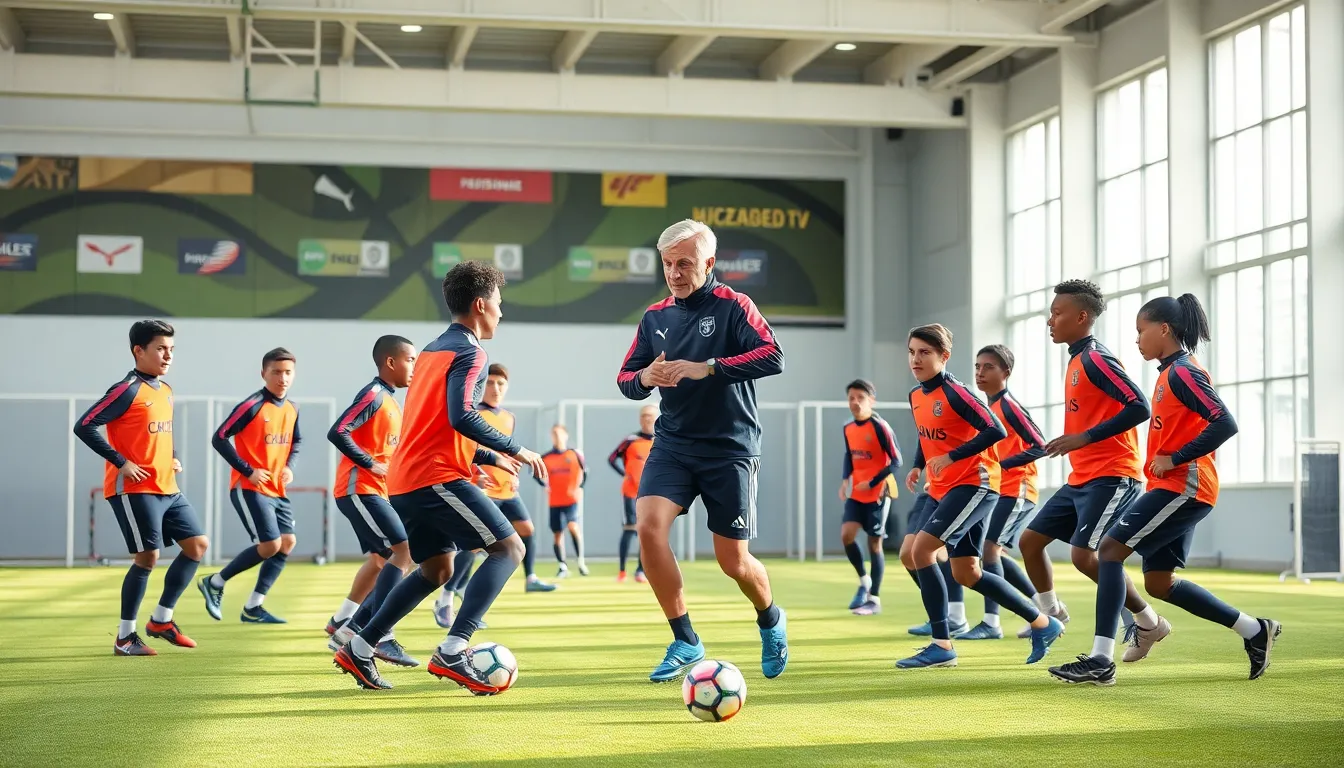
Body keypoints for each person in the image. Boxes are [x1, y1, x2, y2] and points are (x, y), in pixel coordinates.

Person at [332, 260, 549, 692]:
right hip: (434, 478)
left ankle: (360, 645)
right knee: (509, 548)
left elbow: (433, 422)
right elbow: (462, 415)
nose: (502, 313)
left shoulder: (431, 351)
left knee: (437, 569)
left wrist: (485, 457)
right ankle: (453, 651)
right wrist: (515, 447)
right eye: (500, 304)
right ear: (481, 304)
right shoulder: (473, 352)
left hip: (405, 480)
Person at [1050, 295, 1280, 685]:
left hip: (1183, 486)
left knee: (1108, 549)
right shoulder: (1168, 373)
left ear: (1164, 329)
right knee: (1159, 583)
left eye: (1141, 331)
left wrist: (1175, 459)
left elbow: (1224, 422)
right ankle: (1255, 631)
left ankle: (1101, 660)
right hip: (1175, 487)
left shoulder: (1184, 372)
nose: (1137, 340)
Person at [617, 219, 789, 683]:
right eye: (668, 263)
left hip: (731, 448)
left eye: (685, 263)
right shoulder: (654, 318)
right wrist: (645, 379)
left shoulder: (736, 306)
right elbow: (626, 379)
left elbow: (773, 356)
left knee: (732, 560)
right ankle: (685, 638)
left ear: (709, 263)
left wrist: (707, 367)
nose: (674, 272)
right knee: (649, 528)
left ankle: (770, 618)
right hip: (673, 444)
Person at [898, 323, 1063, 669]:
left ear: (944, 356)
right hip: (943, 487)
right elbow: (926, 436)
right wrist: (918, 465)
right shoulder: (916, 395)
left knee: (921, 550)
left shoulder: (959, 393)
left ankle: (942, 644)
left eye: (925, 352)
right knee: (966, 573)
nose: (916, 359)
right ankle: (1043, 623)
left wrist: (952, 457)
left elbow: (996, 429)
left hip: (975, 484)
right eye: (912, 352)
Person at [1018, 279, 1167, 653]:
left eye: (1057, 313)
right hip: (1082, 477)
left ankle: (1147, 622)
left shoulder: (1097, 358)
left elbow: (1139, 406)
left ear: (1082, 316)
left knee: (1084, 557)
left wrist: (1083, 438)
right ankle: (1053, 614)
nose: (1050, 321)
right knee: (1030, 542)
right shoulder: (1075, 359)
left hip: (1112, 475)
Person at [73, 320, 209, 655]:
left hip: (168, 487)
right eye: (161, 349)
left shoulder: (166, 390)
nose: (168, 356)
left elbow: (162, 432)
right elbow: (85, 425)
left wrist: (173, 456)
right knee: (148, 556)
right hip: (134, 489)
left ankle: (162, 620)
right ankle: (124, 638)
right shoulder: (125, 389)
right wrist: (121, 462)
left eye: (172, 350)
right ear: (139, 350)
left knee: (197, 546)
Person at [323, 335, 419, 668]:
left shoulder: (393, 402)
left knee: (384, 560)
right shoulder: (374, 395)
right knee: (404, 550)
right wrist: (369, 463)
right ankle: (381, 634)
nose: (414, 367)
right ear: (390, 362)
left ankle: (347, 628)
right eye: (410, 360)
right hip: (359, 488)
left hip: (376, 492)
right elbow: (338, 430)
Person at [199, 348, 301, 624]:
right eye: (276, 372)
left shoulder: (292, 408)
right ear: (264, 373)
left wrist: (289, 467)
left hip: (277, 490)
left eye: (288, 372)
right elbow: (219, 438)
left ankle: (253, 607)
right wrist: (248, 470)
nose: (282, 378)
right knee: (270, 545)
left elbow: (297, 442)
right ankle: (215, 582)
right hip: (249, 488)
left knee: (287, 542)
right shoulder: (252, 405)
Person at [962, 344, 1047, 640]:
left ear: (1006, 373)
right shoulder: (986, 409)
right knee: (991, 552)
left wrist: (1003, 464)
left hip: (1018, 489)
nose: (980, 372)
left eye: (988, 367)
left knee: (988, 550)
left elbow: (1040, 444)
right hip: (999, 490)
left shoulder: (1009, 406)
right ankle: (1045, 605)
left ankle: (992, 622)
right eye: (977, 367)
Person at [838, 379, 902, 616]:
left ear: (871, 400)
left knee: (874, 544)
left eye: (860, 397)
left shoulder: (880, 427)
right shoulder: (848, 428)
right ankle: (864, 581)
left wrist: (873, 482)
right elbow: (849, 456)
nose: (855, 402)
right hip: (857, 493)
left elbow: (897, 462)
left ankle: (874, 598)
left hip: (879, 493)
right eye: (851, 397)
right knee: (847, 536)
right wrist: (846, 480)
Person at [609, 405, 657, 582]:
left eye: (651, 416)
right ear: (640, 419)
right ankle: (622, 571)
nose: (648, 419)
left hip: (651, 495)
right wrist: (626, 474)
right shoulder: (630, 440)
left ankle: (640, 570)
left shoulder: (662, 440)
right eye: (645, 416)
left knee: (647, 532)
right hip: (630, 492)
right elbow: (612, 459)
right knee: (630, 529)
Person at [538, 425, 588, 578]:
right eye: (554, 434)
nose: (557, 437)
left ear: (566, 435)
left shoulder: (575, 454)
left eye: (559, 434)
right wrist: (544, 485)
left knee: (573, 527)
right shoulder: (546, 457)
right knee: (558, 534)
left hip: (571, 498)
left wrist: (580, 487)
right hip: (555, 500)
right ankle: (562, 566)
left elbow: (585, 471)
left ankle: (580, 562)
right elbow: (535, 473)